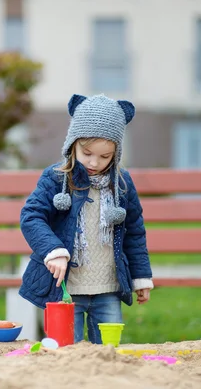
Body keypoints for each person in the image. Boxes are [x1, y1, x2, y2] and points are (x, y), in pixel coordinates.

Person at [18, 94, 154, 344]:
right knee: (67, 350)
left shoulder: (122, 184)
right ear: (72, 144)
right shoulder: (56, 179)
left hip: (108, 289)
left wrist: (140, 276)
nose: (94, 162)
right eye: (87, 153)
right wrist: (53, 249)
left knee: (108, 351)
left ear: (116, 152)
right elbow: (31, 216)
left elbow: (134, 232)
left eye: (105, 156)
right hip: (67, 290)